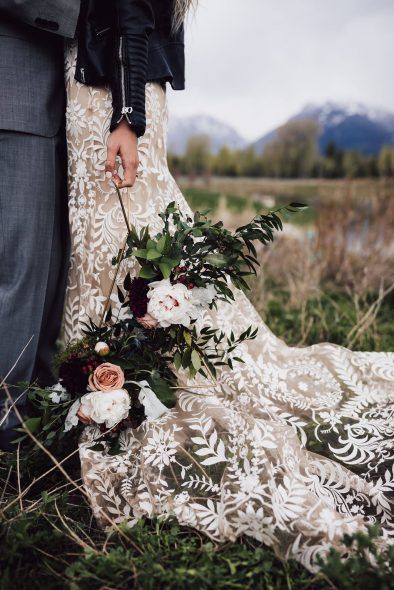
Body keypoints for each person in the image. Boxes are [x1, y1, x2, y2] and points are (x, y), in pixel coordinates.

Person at [64, 0, 393, 571]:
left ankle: (119, 374)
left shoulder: (121, 100)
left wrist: (126, 115)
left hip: (111, 93)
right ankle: (110, 361)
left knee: (118, 235)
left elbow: (134, 12)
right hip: (117, 82)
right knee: (118, 238)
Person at [0, 0, 81, 450]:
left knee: (50, 266)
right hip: (15, 96)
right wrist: (87, 13)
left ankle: (37, 413)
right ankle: (7, 427)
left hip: (59, 104)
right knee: (20, 270)